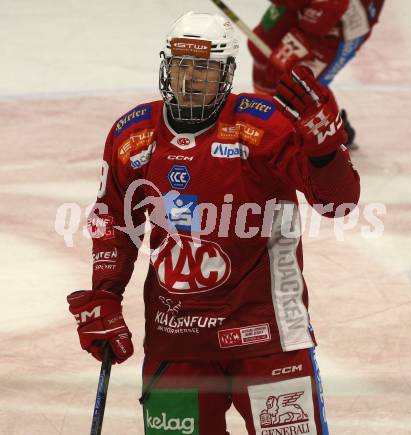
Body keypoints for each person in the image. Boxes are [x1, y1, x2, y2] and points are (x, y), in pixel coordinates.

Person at [67, 11, 360, 435]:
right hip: (176, 340)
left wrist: (325, 148)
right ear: (167, 66)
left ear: (226, 72)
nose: (189, 79)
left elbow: (339, 203)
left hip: (268, 337)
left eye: (204, 68)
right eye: (182, 65)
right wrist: (105, 294)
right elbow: (113, 219)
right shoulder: (133, 135)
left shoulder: (263, 127)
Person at [248, 0, 385, 147]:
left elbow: (331, 7)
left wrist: (297, 44)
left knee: (300, 81)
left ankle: (329, 130)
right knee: (262, 46)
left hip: (344, 21)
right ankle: (268, 124)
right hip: (315, 8)